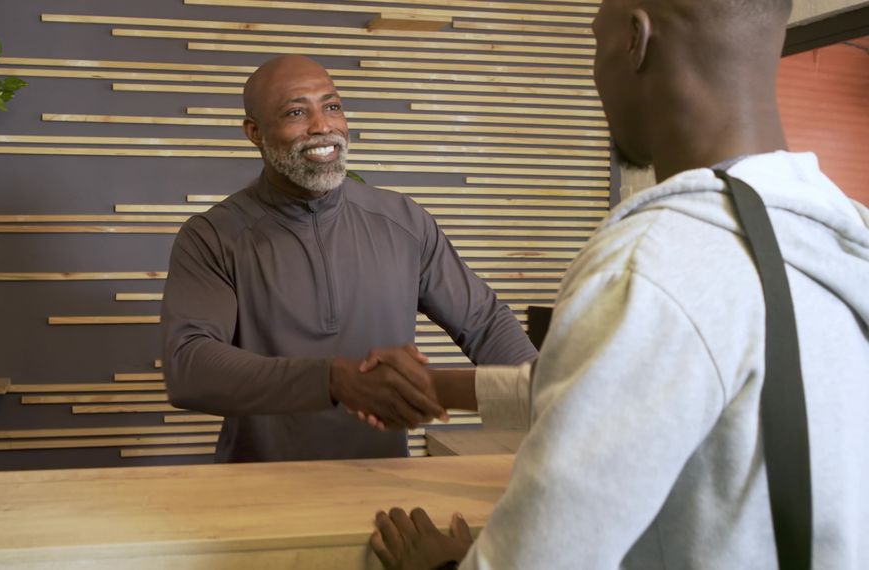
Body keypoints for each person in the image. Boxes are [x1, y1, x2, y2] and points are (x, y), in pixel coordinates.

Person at [369, 0, 869, 567]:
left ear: (636, 39)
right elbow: (664, 379)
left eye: (594, 39)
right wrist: (441, 388)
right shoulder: (839, 233)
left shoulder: (648, 265)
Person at [161, 55, 537, 463]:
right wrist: (332, 379)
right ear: (255, 132)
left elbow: (484, 323)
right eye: (296, 112)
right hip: (257, 486)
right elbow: (190, 366)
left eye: (332, 106)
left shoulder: (403, 220)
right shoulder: (212, 236)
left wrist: (553, 399)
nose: (323, 126)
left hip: (385, 481)